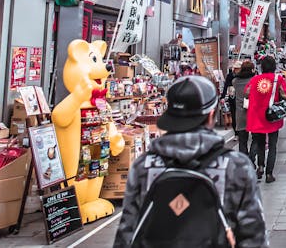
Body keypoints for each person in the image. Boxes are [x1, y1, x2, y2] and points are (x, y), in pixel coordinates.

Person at [113, 76, 266, 247]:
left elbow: (126, 235)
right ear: (210, 115)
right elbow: (254, 237)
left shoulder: (144, 166)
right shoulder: (236, 167)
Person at [245, 56, 286, 183]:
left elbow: (246, 94)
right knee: (272, 145)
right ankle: (269, 174)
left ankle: (260, 167)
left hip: (256, 116)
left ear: (262, 66)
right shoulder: (278, 79)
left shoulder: (254, 79)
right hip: (271, 116)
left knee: (260, 144)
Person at [232, 60, 256, 156]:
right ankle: (252, 157)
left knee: (242, 141)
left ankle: (245, 161)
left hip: (240, 113)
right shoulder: (255, 80)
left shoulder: (235, 81)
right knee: (256, 138)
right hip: (253, 112)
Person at [219, 61, 240, 131]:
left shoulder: (242, 76)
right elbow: (225, 86)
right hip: (232, 96)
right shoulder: (230, 75)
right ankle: (236, 133)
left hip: (241, 97)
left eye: (239, 68)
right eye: (236, 68)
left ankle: (241, 132)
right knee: (233, 115)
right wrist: (222, 97)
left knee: (240, 116)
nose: (237, 69)